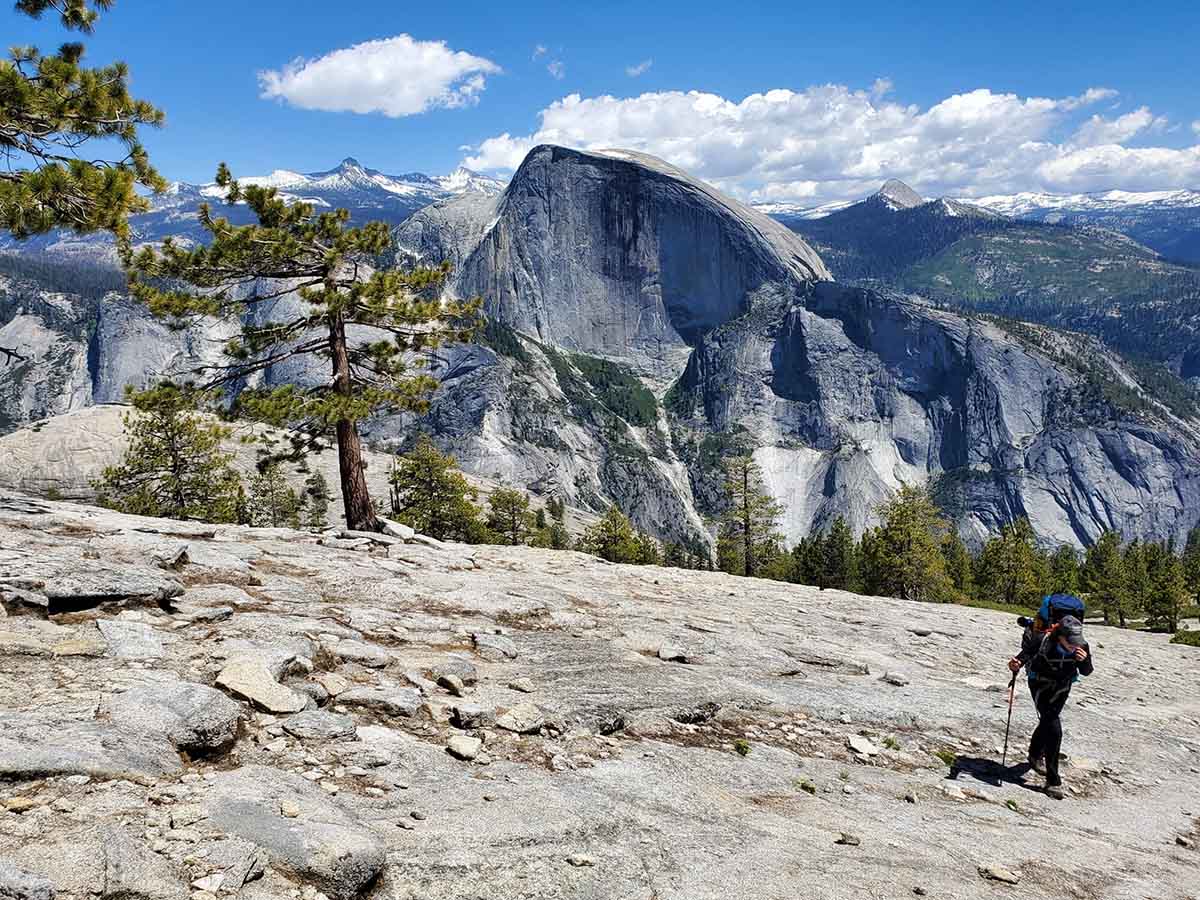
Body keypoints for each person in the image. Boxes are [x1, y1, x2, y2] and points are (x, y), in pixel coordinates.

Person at [1007, 614, 1093, 799]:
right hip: (1040, 684)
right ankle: (1053, 781)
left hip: (1063, 686)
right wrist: (1015, 664)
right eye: (1070, 641)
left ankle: (1034, 754)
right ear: (1059, 635)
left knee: (1048, 721)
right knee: (1053, 726)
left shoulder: (1082, 646)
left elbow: (1087, 671)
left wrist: (1083, 660)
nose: (1074, 644)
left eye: (1076, 641)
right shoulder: (1042, 640)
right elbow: (1022, 657)